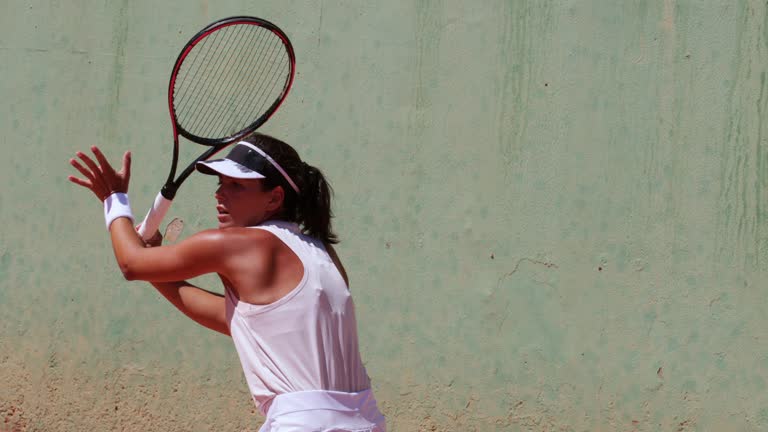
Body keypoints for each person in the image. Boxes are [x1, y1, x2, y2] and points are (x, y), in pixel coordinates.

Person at [68, 133, 386, 431]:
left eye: (236, 185)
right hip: (366, 422)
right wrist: (156, 269)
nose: (220, 194)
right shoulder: (322, 253)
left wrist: (114, 199)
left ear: (274, 198)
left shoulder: (237, 244)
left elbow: (130, 263)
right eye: (221, 183)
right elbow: (238, 321)